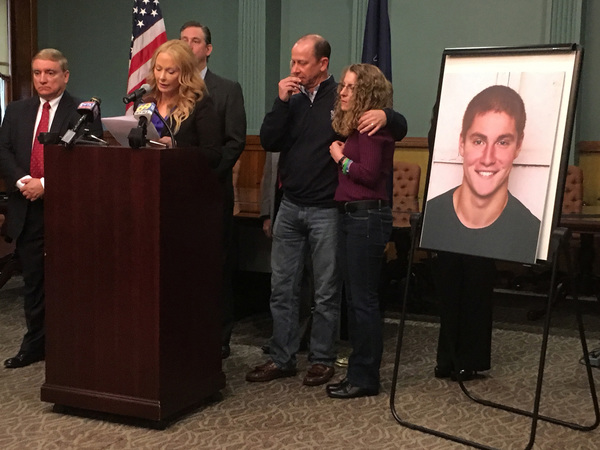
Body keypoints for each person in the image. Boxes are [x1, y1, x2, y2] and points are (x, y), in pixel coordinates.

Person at [246, 34, 407, 387]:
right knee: (282, 287)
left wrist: (387, 114)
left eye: (302, 62)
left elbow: (395, 128)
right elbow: (269, 140)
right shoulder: (291, 100)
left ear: (322, 64)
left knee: (326, 291)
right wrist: (280, 101)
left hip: (328, 209)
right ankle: (282, 357)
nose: (294, 69)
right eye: (292, 61)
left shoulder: (343, 97)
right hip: (291, 204)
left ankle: (321, 358)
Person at [0, 48, 103, 368]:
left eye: (50, 73)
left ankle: (72, 345)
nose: (42, 79)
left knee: (69, 282)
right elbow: (4, 151)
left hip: (66, 210)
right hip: (26, 206)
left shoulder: (83, 112)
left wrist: (45, 184)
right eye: (37, 73)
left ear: (65, 76)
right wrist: (24, 182)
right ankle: (35, 344)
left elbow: (87, 161)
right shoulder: (16, 110)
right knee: (33, 282)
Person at [325, 64, 397, 399]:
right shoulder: (359, 126)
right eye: (343, 85)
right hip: (355, 217)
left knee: (363, 302)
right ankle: (358, 372)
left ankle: (365, 377)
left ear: (366, 92)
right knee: (356, 300)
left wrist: (340, 158)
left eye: (351, 87)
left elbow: (367, 174)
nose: (342, 91)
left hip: (366, 217)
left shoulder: (371, 127)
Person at [180, 22, 247, 359]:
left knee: (215, 267)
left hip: (211, 191)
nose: (189, 45)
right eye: (183, 40)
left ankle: (219, 337)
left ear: (208, 49)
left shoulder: (226, 89)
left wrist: (206, 177)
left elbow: (234, 142)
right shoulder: (166, 90)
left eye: (196, 41)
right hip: (175, 195)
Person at [420, 85, 540, 264]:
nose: (488, 158)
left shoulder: (531, 231)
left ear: (518, 146)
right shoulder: (431, 216)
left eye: (502, 142)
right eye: (478, 141)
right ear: (462, 143)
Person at [259, 152, 313, 355]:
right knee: (282, 281)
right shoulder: (278, 137)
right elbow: (269, 176)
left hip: (312, 208)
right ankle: (282, 339)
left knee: (307, 278)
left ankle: (301, 336)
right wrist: (266, 214)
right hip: (281, 208)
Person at [145, 39, 220, 165]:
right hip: (146, 171)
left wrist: (177, 146)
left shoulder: (200, 104)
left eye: (170, 72)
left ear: (186, 73)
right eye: (158, 69)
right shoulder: (146, 102)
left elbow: (213, 154)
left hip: (182, 173)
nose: (162, 77)